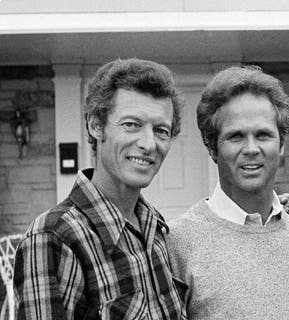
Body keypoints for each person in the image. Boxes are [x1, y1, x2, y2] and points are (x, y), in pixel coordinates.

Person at [13, 58, 187, 319]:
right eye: (131, 125)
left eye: (161, 130)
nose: (149, 144)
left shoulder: (154, 227)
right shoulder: (53, 237)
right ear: (96, 125)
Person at [166, 66, 289, 319]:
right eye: (236, 136)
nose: (251, 148)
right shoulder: (177, 242)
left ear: (281, 145)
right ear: (212, 148)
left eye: (263, 135)